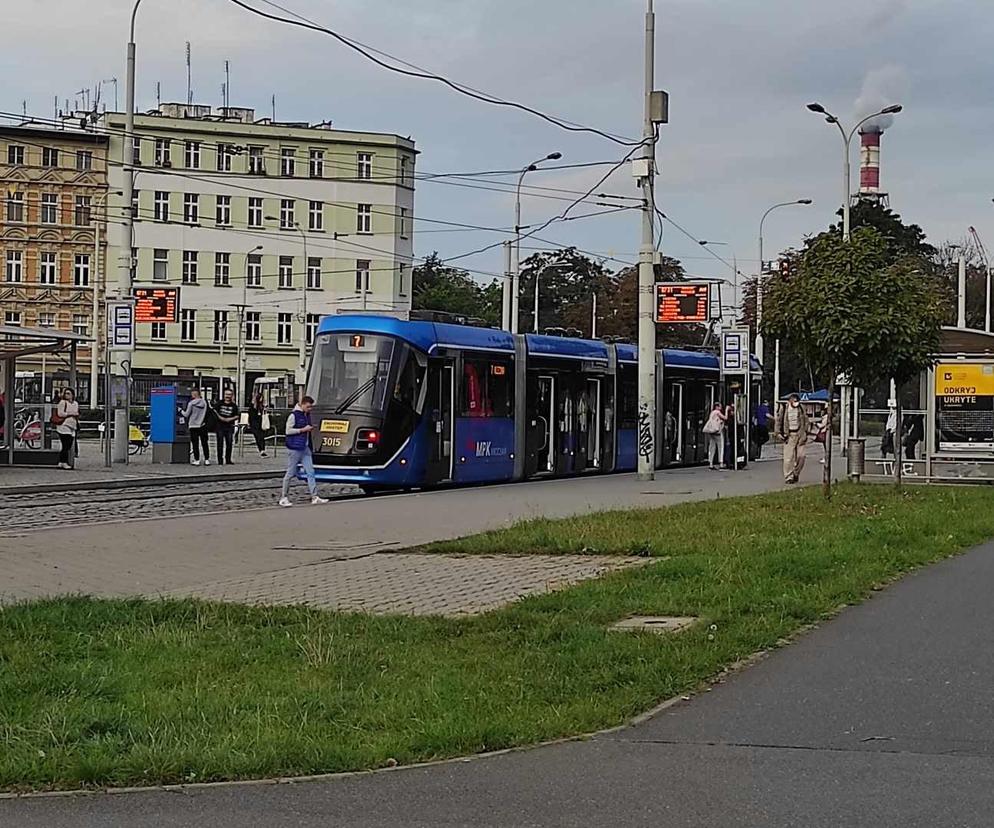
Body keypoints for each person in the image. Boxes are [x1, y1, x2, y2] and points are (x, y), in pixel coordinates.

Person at [280, 395, 328, 507]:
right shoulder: (293, 415)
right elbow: (288, 431)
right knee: (290, 473)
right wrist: (303, 430)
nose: (310, 409)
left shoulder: (306, 415)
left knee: (310, 472)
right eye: (308, 407)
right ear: (302, 404)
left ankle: (314, 496)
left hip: (305, 447)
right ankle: (284, 497)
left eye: (311, 407)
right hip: (295, 448)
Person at [775, 393, 810, 484]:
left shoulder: (801, 408)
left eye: (797, 401)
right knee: (788, 458)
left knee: (801, 456)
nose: (796, 403)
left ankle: (796, 473)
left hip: (800, 434)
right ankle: (788, 477)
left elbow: (806, 420)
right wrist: (778, 433)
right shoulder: (784, 408)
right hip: (789, 435)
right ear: (790, 400)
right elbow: (779, 421)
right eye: (794, 401)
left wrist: (805, 432)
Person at [183, 388, 210, 466]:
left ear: (194, 394)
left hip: (193, 425)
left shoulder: (191, 403)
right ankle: (207, 459)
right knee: (204, 443)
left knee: (195, 444)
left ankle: (197, 460)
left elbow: (186, 414)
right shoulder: (204, 402)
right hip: (202, 425)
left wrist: (180, 410)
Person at [54, 387, 79, 470]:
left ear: (72, 395)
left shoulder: (75, 403)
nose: (67, 395)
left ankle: (62, 462)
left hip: (72, 425)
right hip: (63, 425)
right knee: (66, 444)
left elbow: (77, 412)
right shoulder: (62, 402)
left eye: (69, 393)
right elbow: (60, 414)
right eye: (65, 393)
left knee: (68, 444)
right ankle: (63, 462)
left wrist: (74, 414)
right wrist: (70, 413)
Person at [214, 388, 239, 465]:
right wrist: (221, 418)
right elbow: (214, 412)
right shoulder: (219, 403)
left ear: (232, 395)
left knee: (229, 443)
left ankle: (228, 459)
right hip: (220, 427)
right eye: (226, 394)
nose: (228, 396)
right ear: (224, 395)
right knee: (220, 443)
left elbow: (237, 415)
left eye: (229, 394)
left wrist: (229, 419)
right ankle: (220, 460)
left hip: (229, 427)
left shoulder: (234, 405)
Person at [702, 402, 726, 471]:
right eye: (720, 406)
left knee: (712, 447)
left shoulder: (712, 413)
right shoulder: (718, 412)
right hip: (717, 432)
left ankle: (711, 464)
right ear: (717, 407)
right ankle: (721, 463)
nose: (721, 408)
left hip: (711, 432)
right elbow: (725, 418)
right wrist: (727, 410)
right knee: (720, 447)